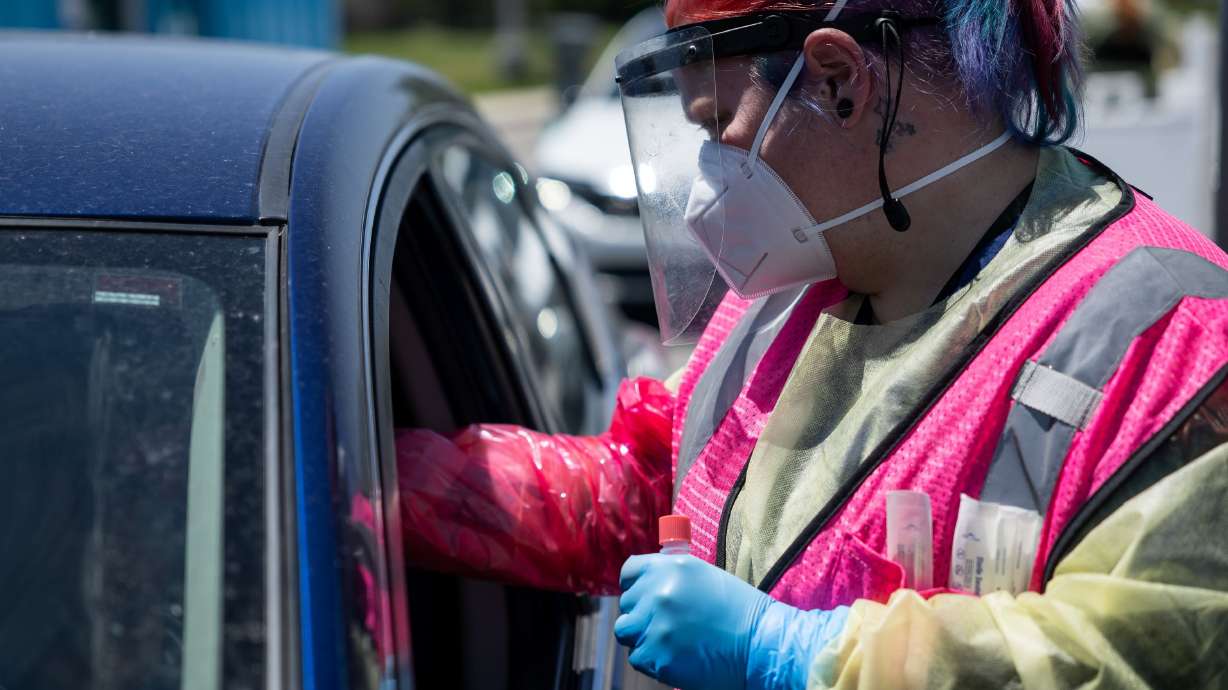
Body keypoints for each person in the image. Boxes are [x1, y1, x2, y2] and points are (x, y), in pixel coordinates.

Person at [396, 0, 1228, 687]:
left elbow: (1146, 651)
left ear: (837, 80)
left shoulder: (1175, 334)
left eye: (719, 122)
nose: (711, 175)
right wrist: (382, 487)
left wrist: (803, 656)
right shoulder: (797, 283)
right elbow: (660, 494)